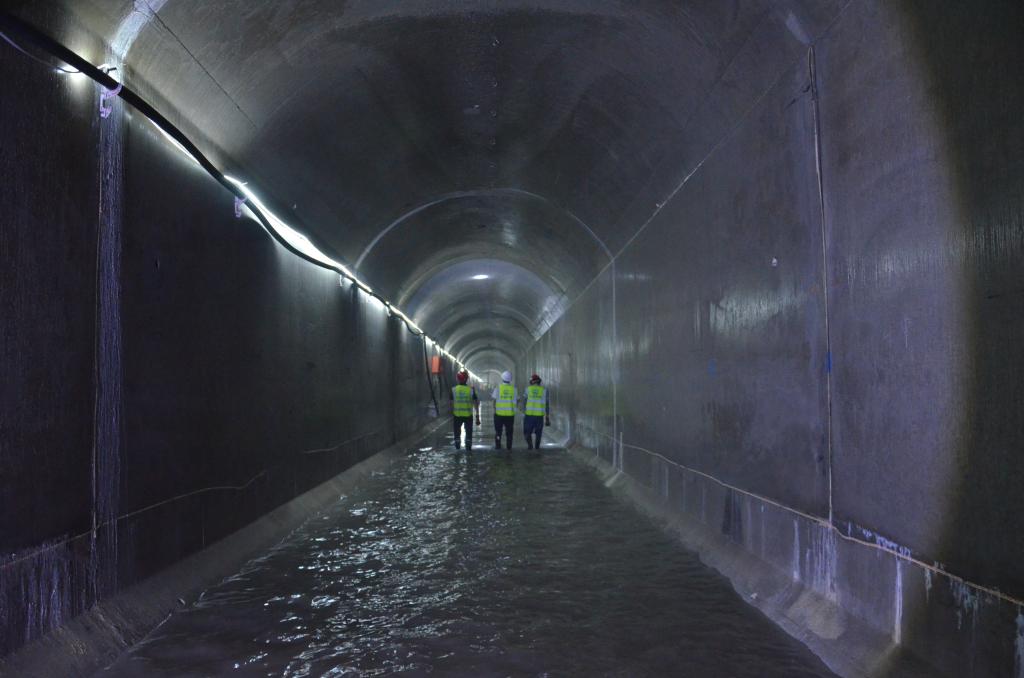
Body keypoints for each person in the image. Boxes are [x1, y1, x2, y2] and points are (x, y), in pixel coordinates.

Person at [451, 369, 480, 450]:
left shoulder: (453, 390)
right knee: (469, 432)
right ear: (467, 379)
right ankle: (468, 447)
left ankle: (457, 446)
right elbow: (476, 404)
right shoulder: (471, 390)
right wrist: (477, 417)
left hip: (457, 415)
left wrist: (452, 414)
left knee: (457, 433)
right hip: (468, 416)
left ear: (457, 379)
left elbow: (451, 404)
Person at [523, 373, 551, 449]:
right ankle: (537, 447)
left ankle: (530, 446)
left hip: (529, 415)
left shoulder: (527, 389)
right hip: (539, 416)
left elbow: (524, 402)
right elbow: (547, 404)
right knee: (538, 433)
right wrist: (547, 416)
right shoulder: (544, 390)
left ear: (532, 381)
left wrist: (524, 411)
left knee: (527, 432)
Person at [491, 371, 517, 450]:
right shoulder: (514, 389)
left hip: (499, 415)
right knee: (509, 433)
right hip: (510, 415)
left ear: (502, 378)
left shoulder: (498, 388)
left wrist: (495, 410)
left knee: (498, 432)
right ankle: (509, 447)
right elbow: (517, 401)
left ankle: (498, 445)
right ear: (510, 379)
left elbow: (494, 401)